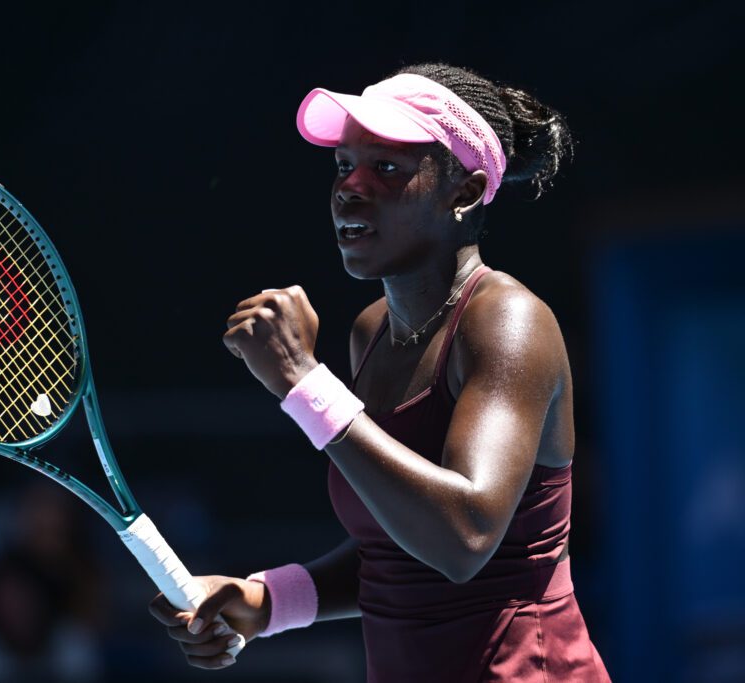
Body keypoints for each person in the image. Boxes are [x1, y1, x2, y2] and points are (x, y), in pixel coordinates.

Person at [148, 62, 611, 681]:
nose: (350, 186)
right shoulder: (371, 332)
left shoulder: (508, 321)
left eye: (387, 168)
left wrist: (303, 382)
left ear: (465, 192)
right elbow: (396, 553)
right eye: (344, 165)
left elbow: (463, 538)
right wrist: (268, 601)